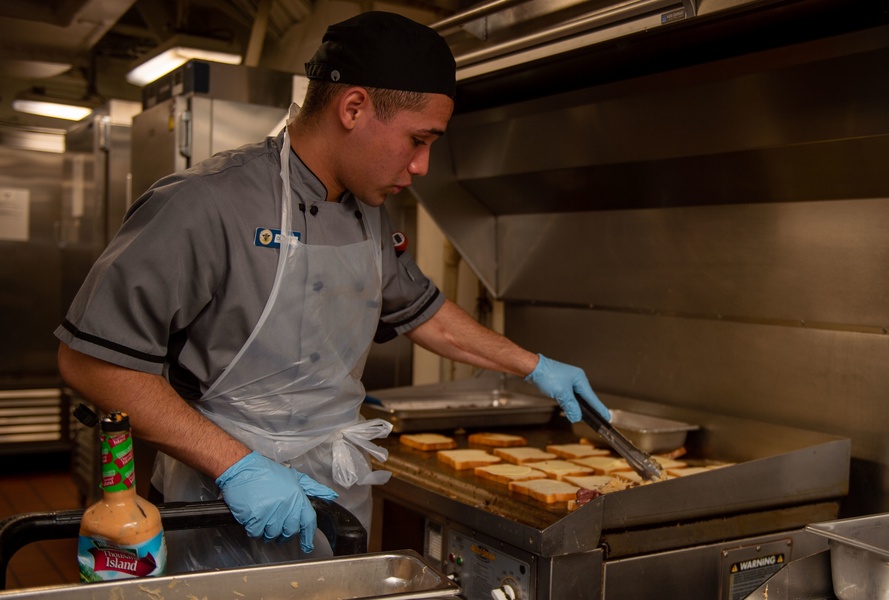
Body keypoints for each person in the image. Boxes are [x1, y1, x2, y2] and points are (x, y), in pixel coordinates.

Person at [55, 11, 610, 571]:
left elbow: (425, 315)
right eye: (418, 140)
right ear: (353, 108)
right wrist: (237, 466)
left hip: (336, 500)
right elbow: (92, 363)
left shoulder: (368, 213)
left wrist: (533, 365)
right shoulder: (204, 204)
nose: (421, 165)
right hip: (221, 504)